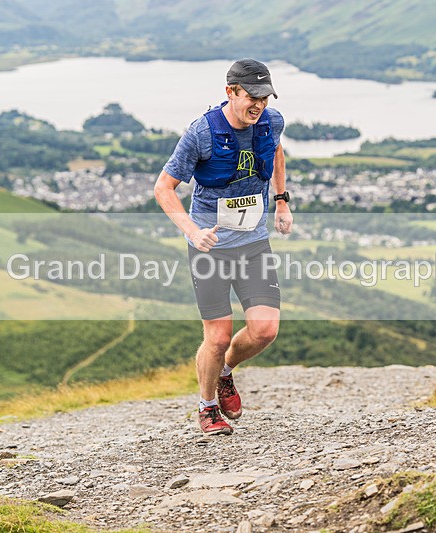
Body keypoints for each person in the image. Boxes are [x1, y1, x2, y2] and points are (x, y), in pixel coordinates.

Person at [154, 59, 293, 435]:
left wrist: (281, 200)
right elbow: (163, 189)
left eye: (265, 97)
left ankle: (226, 371)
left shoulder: (271, 121)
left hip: (252, 242)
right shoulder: (201, 133)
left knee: (265, 330)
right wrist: (191, 232)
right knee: (215, 336)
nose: (259, 105)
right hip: (209, 248)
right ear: (230, 92)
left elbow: (276, 152)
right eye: (252, 96)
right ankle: (207, 406)